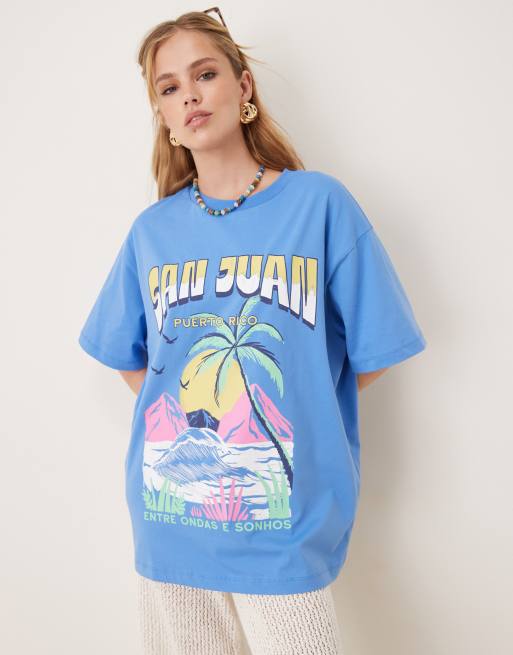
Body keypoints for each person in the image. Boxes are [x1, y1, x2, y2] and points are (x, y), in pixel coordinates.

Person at [78, 7, 427, 655]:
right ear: (163, 114)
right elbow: (127, 355)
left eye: (204, 74)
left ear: (243, 87)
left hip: (284, 526)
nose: (189, 95)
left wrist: (300, 408)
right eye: (169, 87)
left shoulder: (318, 205)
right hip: (168, 521)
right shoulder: (152, 232)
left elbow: (376, 347)